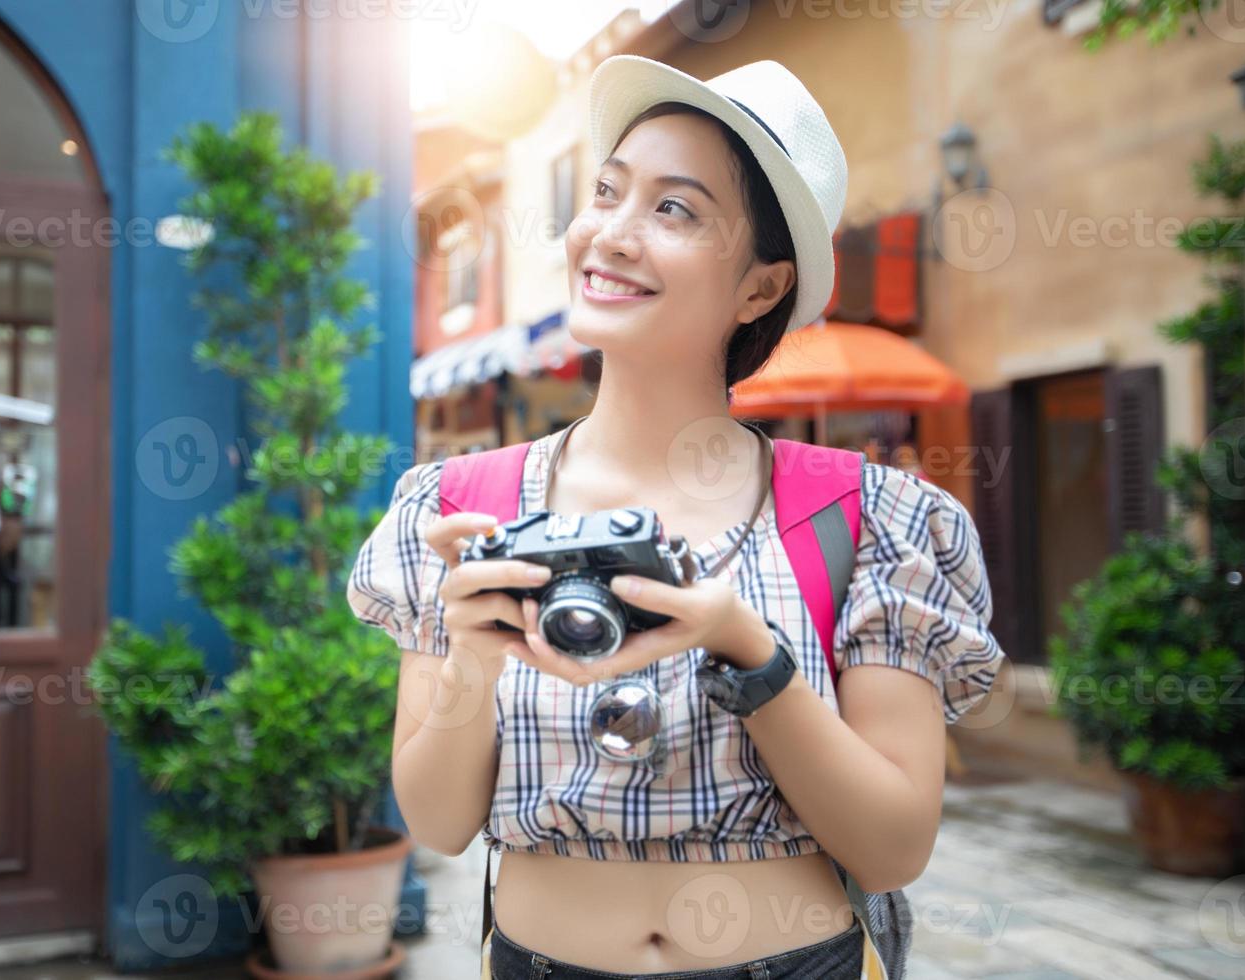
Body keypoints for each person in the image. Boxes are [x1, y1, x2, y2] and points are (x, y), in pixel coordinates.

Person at [347, 55, 1005, 979]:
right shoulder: (462, 507)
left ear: (760, 288)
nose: (611, 234)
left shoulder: (865, 517)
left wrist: (749, 651)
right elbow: (440, 822)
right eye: (607, 192)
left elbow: (894, 849)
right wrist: (474, 660)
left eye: (674, 209)